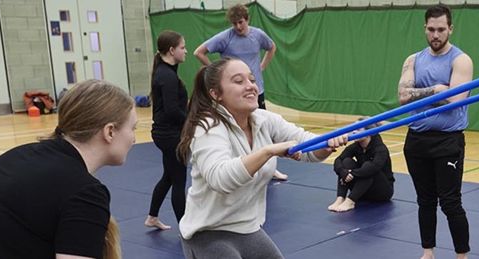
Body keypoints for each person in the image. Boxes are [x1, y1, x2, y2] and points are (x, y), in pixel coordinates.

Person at [0, 79, 137, 258]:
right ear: (109, 131)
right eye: (132, 128)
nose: (134, 138)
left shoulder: (17, 156)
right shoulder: (84, 192)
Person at [176, 58, 347, 258]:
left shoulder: (264, 119)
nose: (250, 86)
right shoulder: (208, 126)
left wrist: (327, 144)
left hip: (247, 227)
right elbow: (220, 179)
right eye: (239, 81)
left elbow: (306, 146)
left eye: (252, 79)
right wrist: (268, 151)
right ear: (216, 94)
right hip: (207, 232)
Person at [397, 5, 474, 259]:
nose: (436, 35)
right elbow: (403, 97)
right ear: (425, 29)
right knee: (425, 201)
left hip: (447, 141)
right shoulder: (413, 59)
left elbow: (456, 100)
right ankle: (427, 252)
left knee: (450, 203)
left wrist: (439, 93)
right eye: (431, 29)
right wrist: (435, 90)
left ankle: (461, 256)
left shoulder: (461, 60)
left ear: (450, 29)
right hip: (416, 140)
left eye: (441, 29)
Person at [193, 4, 288, 180]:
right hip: (234, 96)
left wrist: (261, 67)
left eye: (241, 22)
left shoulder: (258, 35)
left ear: (247, 19)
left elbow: (272, 47)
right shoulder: (225, 38)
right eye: (235, 23)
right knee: (238, 129)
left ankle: (269, 167)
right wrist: (216, 73)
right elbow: (199, 52)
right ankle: (241, 164)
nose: (238, 26)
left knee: (261, 129)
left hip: (255, 91)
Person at [145, 30, 190, 230]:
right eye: (182, 47)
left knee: (169, 176)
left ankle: (152, 217)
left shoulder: (165, 72)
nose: (186, 51)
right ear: (172, 51)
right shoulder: (167, 76)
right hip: (170, 135)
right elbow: (172, 110)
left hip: (165, 133)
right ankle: (186, 228)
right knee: (179, 180)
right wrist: (192, 122)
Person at [329, 119, 395, 212]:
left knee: (368, 166)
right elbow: (338, 160)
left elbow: (374, 167)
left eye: (358, 129)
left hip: (382, 191)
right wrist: (343, 172)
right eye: (354, 129)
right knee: (346, 161)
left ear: (368, 132)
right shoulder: (356, 146)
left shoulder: (380, 149)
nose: (354, 131)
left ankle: (350, 201)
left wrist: (352, 173)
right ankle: (340, 198)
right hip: (363, 190)